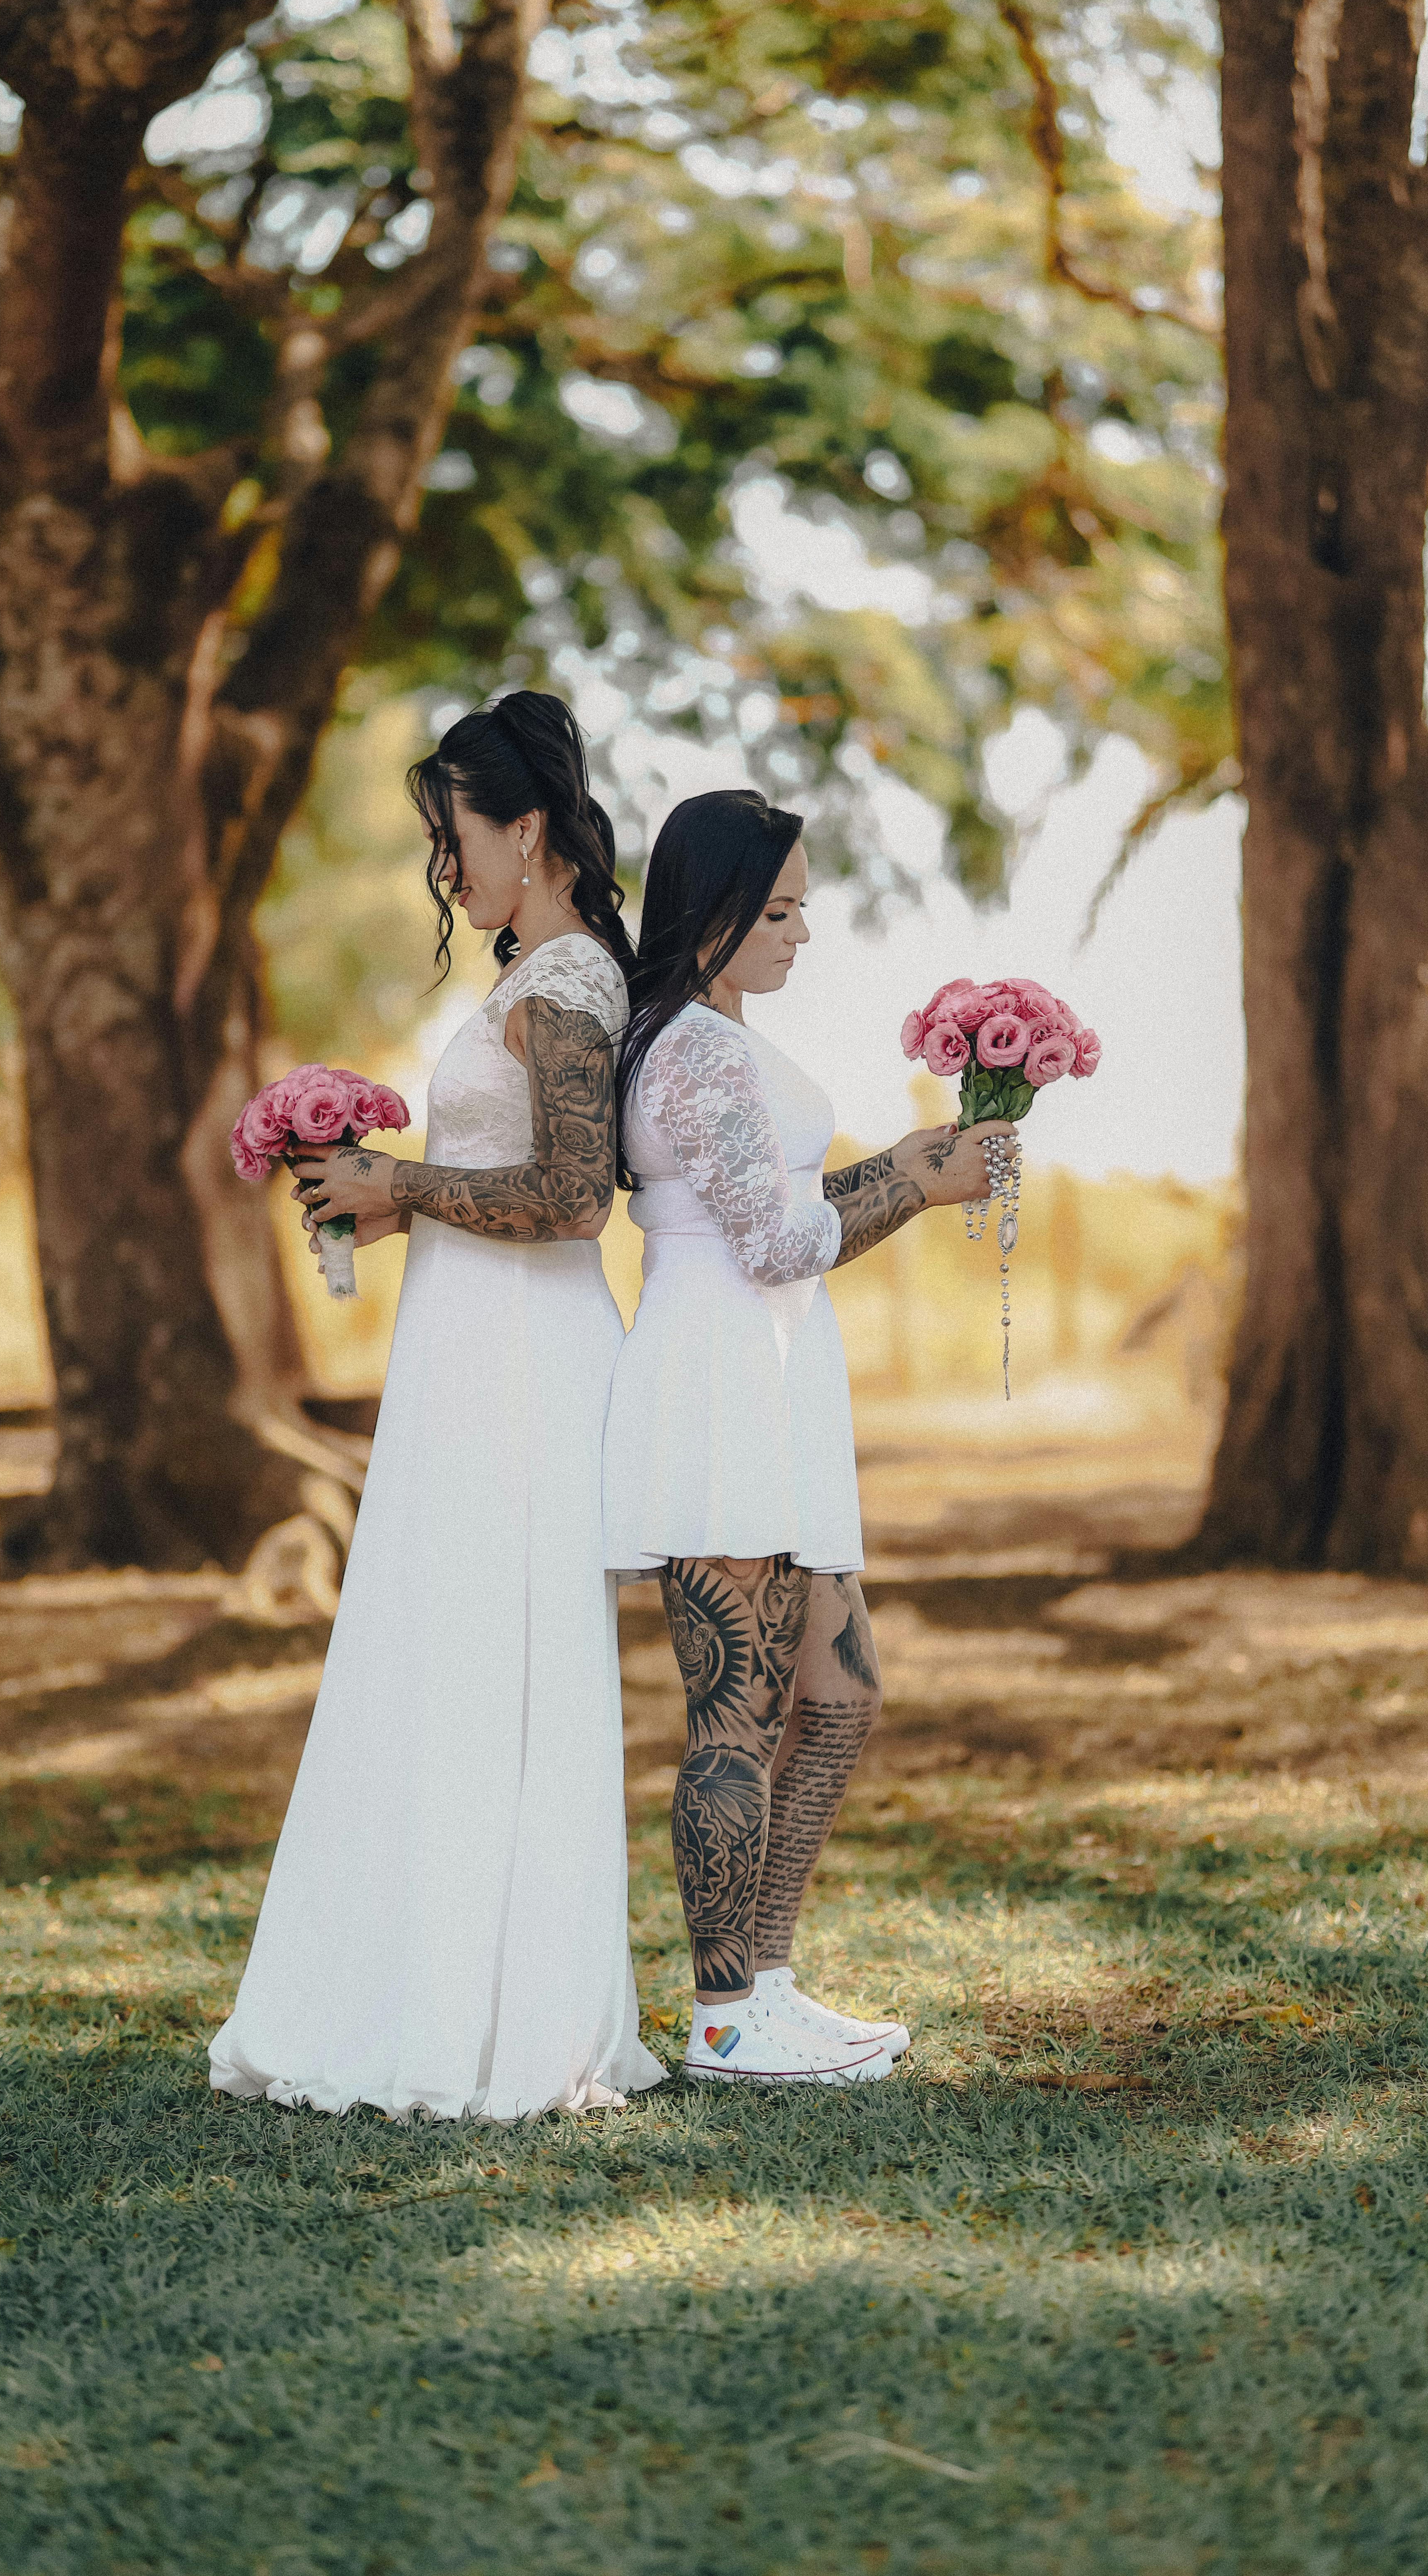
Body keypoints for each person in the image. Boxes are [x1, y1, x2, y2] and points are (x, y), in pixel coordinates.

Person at [209, 693, 664, 2119]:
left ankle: (504, 2024)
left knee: (503, 1677)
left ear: (526, 830)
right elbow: (514, 1188)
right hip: (470, 1357)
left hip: (526, 1376)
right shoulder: (534, 979)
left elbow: (579, 1202)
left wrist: (404, 1186)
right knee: (444, 1671)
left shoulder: (575, 985)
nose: (444, 871)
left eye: (454, 839)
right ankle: (414, 1987)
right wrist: (391, 1209)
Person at [603, 789, 1016, 2086]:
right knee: (739, 1711)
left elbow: (782, 1204)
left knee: (839, 1697)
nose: (800, 932)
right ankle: (723, 2019)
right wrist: (915, 1183)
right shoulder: (687, 1050)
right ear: (712, 910)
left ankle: (769, 1982)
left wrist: (904, 1158)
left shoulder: (724, 1039)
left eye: (800, 909)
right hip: (719, 1380)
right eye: (776, 911)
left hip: (776, 1377)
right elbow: (774, 1244)